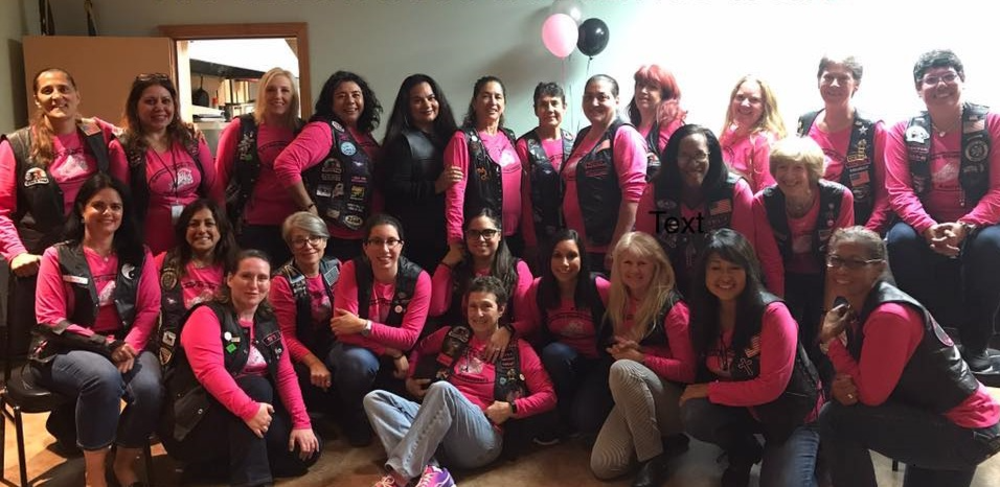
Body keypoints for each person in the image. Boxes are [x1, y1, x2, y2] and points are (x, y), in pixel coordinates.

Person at [818, 226, 1000, 487]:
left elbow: (871, 395)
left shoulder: (888, 315)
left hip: (965, 428)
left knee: (835, 419)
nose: (842, 270)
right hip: (948, 418)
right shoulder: (858, 307)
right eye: (835, 260)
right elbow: (867, 376)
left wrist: (831, 341)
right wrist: (844, 382)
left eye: (856, 263)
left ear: (879, 267)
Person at [364, 276, 557, 487]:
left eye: (486, 306)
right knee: (375, 399)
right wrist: (410, 377)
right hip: (440, 430)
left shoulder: (520, 349)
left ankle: (401, 475)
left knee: (442, 390)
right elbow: (420, 348)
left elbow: (549, 396)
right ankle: (433, 471)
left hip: (483, 438)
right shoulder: (453, 335)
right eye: (473, 306)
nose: (478, 313)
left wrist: (512, 408)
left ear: (501, 310)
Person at [32, 173, 162, 487]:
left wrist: (128, 345)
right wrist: (106, 346)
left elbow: (149, 309)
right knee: (102, 379)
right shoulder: (57, 255)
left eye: (115, 206)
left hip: (126, 343)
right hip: (65, 347)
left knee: (148, 388)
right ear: (81, 209)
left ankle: (123, 464)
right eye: (98, 205)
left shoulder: (139, 254)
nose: (108, 213)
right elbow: (50, 319)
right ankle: (94, 475)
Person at [159, 249, 321, 487]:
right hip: (193, 422)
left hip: (245, 413)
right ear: (229, 279)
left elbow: (286, 374)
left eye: (262, 278)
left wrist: (302, 423)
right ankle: (252, 480)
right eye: (246, 276)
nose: (254, 284)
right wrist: (249, 411)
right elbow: (209, 371)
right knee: (256, 386)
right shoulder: (207, 315)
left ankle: (213, 469)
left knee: (305, 450)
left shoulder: (266, 319)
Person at [884, 49, 1000, 373]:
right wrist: (926, 227)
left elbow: (999, 190)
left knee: (992, 245)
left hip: (977, 222)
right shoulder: (902, 131)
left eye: (949, 76)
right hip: (925, 223)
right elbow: (898, 190)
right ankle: (930, 339)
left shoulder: (991, 124)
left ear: (962, 80)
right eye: (930, 80)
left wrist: (965, 225)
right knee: (900, 241)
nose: (941, 84)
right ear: (919, 90)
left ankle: (977, 343)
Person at [680, 229, 822, 487]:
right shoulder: (702, 313)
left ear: (749, 270)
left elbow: (771, 387)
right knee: (694, 412)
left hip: (791, 417)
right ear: (703, 273)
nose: (724, 277)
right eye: (716, 268)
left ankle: (821, 462)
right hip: (749, 411)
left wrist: (710, 389)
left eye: (734, 268)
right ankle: (744, 452)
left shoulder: (773, 314)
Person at [0, 68, 116, 359]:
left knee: (91, 332)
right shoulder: (16, 145)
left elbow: (139, 134)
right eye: (47, 91)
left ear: (77, 95)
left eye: (64, 89)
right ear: (37, 100)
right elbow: (1, 210)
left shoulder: (96, 132)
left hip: (91, 251)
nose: (57, 96)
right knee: (44, 341)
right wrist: (16, 254)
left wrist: (184, 129)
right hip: (39, 258)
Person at [590, 232, 695, 487]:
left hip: (675, 401)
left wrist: (642, 357)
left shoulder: (673, 307)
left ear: (656, 265)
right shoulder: (619, 300)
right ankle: (666, 443)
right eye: (627, 262)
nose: (634, 270)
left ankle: (653, 460)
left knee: (623, 369)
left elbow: (689, 371)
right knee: (604, 466)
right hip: (635, 392)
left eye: (642, 263)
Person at [637, 124, 782, 296]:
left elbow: (746, 255)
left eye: (700, 155)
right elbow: (642, 250)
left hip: (724, 290)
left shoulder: (735, 190)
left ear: (711, 157)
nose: (693, 164)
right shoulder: (655, 191)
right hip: (667, 289)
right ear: (673, 158)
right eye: (684, 156)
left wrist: (775, 303)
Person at [754, 137, 853, 380]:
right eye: (782, 167)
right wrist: (780, 311)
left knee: (828, 332)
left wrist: (826, 312)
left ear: (812, 171)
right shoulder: (762, 202)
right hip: (786, 276)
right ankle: (796, 383)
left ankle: (829, 388)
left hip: (827, 274)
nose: (788, 175)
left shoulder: (840, 198)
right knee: (788, 330)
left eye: (797, 167)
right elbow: (771, 261)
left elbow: (838, 259)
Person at [329, 214, 432, 446]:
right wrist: (391, 350)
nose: (384, 249)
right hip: (357, 350)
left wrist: (363, 325)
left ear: (401, 245)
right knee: (356, 362)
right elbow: (343, 330)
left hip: (394, 352)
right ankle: (354, 417)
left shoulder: (420, 279)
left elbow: (408, 338)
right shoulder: (351, 269)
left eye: (391, 241)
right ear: (365, 247)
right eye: (375, 241)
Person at [274, 70, 383, 261]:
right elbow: (285, 164)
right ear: (330, 103)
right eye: (341, 96)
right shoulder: (323, 129)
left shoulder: (363, 133)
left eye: (356, 95)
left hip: (366, 234)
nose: (350, 101)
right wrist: (309, 206)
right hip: (337, 237)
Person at [109, 73, 216, 255]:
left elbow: (215, 190)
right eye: (150, 101)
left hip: (198, 240)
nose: (159, 107)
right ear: (135, 106)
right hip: (151, 244)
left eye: (166, 101)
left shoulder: (192, 141)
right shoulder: (123, 148)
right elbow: (119, 202)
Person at [522, 229, 612, 442]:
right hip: (564, 363)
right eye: (557, 255)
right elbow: (533, 327)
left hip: (600, 363)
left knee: (585, 420)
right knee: (554, 353)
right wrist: (508, 330)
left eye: (572, 256)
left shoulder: (600, 288)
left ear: (582, 258)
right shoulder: (538, 288)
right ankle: (564, 410)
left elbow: (621, 325)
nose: (564, 263)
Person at [216, 67, 305, 266]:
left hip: (295, 226)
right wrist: (219, 223)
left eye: (285, 90)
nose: (278, 96)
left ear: (294, 96)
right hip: (250, 226)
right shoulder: (240, 127)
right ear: (262, 94)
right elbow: (218, 179)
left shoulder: (303, 130)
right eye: (271, 90)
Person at [797, 55, 892, 234]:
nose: (834, 84)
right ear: (818, 80)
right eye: (828, 77)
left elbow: (885, 192)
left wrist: (869, 233)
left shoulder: (874, 129)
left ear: (856, 84)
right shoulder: (805, 121)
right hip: (809, 229)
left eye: (843, 78)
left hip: (858, 227)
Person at [563, 74, 648, 271]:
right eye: (588, 97)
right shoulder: (583, 135)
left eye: (602, 97)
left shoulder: (624, 135)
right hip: (579, 244)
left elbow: (634, 196)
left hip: (606, 246)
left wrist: (617, 245)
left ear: (616, 100)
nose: (594, 103)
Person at [379, 74, 459, 271]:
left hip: (448, 232)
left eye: (431, 98)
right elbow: (393, 190)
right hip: (418, 238)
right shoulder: (401, 143)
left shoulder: (451, 137)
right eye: (417, 100)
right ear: (406, 106)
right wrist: (435, 186)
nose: (427, 104)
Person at [430, 208, 533, 352]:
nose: (481, 239)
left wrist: (508, 330)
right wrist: (446, 264)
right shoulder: (457, 268)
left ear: (499, 235)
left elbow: (529, 321)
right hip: (460, 344)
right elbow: (435, 309)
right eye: (473, 233)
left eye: (488, 232)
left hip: (500, 345)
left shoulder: (517, 268)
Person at [444, 76, 523, 256]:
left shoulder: (509, 136)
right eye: (486, 96)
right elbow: (455, 193)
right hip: (481, 237)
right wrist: (455, 238)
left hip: (513, 234)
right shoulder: (462, 139)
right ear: (474, 102)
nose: (493, 102)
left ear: (504, 103)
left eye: (498, 97)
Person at [270, 211, 341, 411]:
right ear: (290, 246)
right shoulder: (282, 282)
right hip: (299, 349)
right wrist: (314, 363)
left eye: (314, 238)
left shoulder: (336, 266)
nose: (308, 245)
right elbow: (285, 336)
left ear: (325, 241)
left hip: (332, 342)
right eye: (299, 240)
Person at [155, 198, 237, 367]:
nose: (201, 230)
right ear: (184, 230)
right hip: (173, 352)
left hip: (225, 350)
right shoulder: (163, 263)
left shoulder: (236, 267)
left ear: (220, 229)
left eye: (209, 224)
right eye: (193, 224)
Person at [517, 82, 574, 265]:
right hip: (539, 233)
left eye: (555, 103)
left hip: (572, 232)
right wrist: (530, 240)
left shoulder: (575, 142)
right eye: (543, 104)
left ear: (564, 108)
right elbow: (523, 196)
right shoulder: (524, 145)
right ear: (535, 110)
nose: (550, 109)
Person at [719, 75, 787, 193]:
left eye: (754, 100)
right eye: (740, 97)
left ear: (765, 107)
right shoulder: (727, 135)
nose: (745, 104)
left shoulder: (764, 142)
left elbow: (767, 194)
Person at [627, 64, 687, 180]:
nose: (643, 91)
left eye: (652, 87)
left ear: (665, 95)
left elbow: (673, 170)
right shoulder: (630, 127)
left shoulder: (671, 125)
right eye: (640, 85)